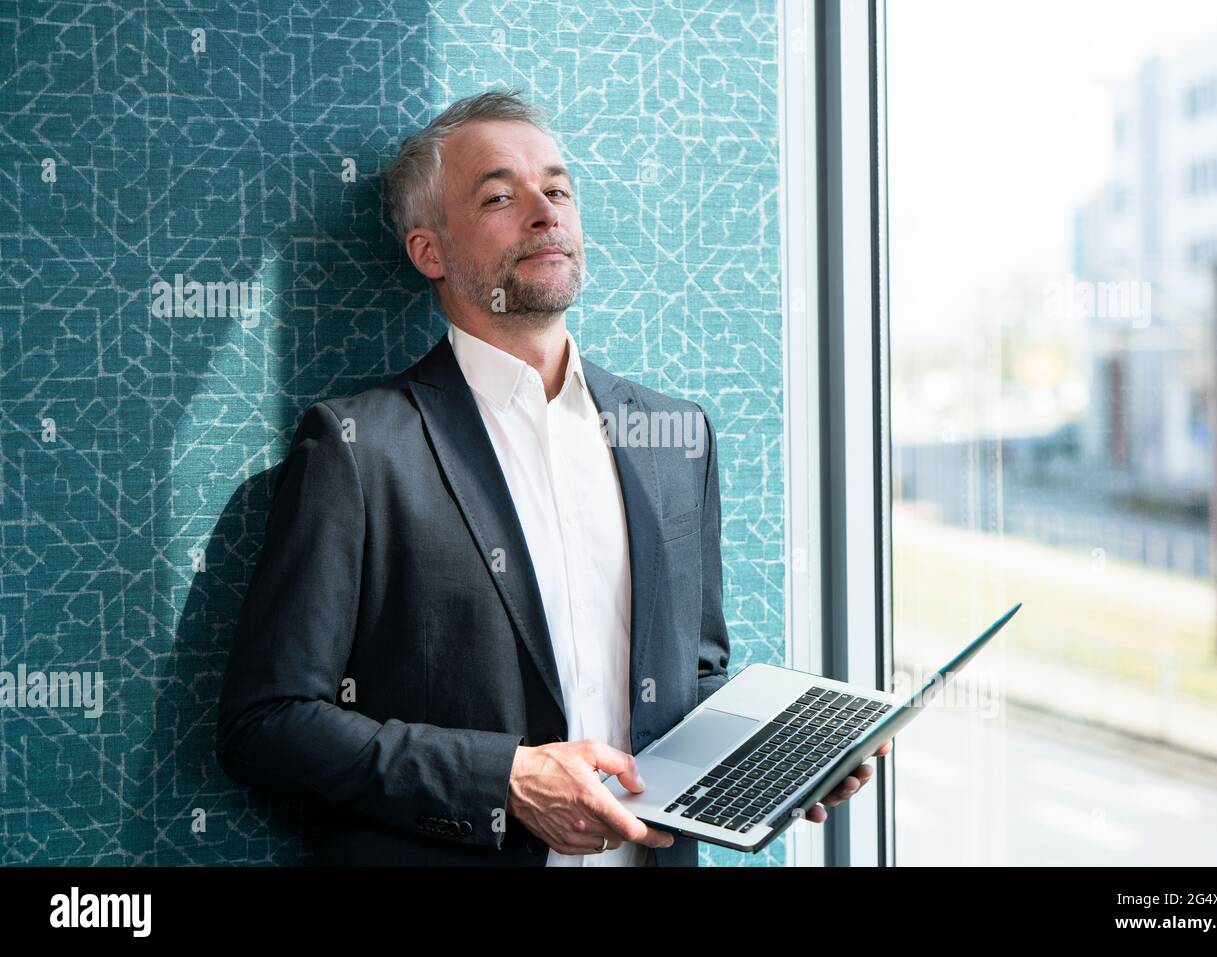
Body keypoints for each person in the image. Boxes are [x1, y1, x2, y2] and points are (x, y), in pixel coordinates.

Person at [215, 88, 889, 867]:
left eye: (558, 189)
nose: (545, 210)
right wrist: (503, 778)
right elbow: (266, 722)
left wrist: (781, 756)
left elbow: (691, 680)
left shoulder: (675, 437)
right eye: (501, 195)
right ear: (429, 251)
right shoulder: (358, 448)